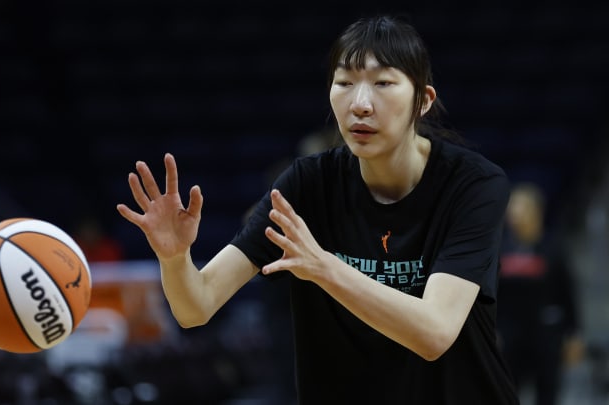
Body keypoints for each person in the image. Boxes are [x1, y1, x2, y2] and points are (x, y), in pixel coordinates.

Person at [117, 15, 520, 404]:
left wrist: (324, 267)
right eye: (344, 82)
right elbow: (195, 307)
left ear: (423, 100)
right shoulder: (307, 184)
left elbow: (434, 333)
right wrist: (174, 257)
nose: (360, 104)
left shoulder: (473, 186)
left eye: (383, 83)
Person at [497, 182, 584, 405]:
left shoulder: (553, 248)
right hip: (511, 335)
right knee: (507, 393)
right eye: (512, 208)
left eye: (521, 208)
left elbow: (567, 293)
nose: (514, 214)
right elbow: (492, 295)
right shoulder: (500, 248)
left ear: (536, 212)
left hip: (545, 333)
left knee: (547, 395)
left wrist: (574, 334)